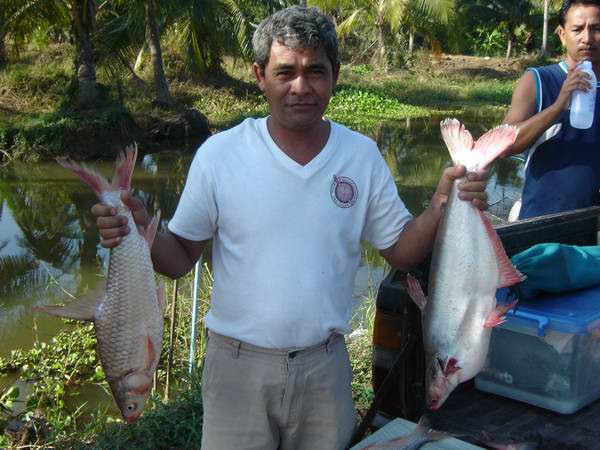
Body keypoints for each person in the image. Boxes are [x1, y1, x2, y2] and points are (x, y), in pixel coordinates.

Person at [92, 6, 488, 450]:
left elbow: (400, 251)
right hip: (236, 369)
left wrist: (440, 203)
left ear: (335, 74)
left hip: (325, 370)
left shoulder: (360, 156)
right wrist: (140, 231)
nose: (301, 86)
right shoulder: (219, 155)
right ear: (260, 75)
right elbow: (180, 258)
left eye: (315, 71)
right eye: (286, 72)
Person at [502, 0, 600, 220]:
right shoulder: (538, 80)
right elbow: (503, 144)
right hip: (541, 224)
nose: (587, 38)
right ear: (562, 35)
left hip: (593, 230)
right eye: (577, 29)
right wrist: (557, 106)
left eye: (596, 28)